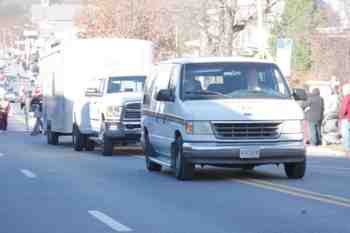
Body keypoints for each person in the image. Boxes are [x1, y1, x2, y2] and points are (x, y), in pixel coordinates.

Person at [339, 84, 350, 158]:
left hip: (347, 118)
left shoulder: (347, 97)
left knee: (346, 134)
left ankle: (347, 150)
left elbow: (344, 108)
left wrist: (341, 116)